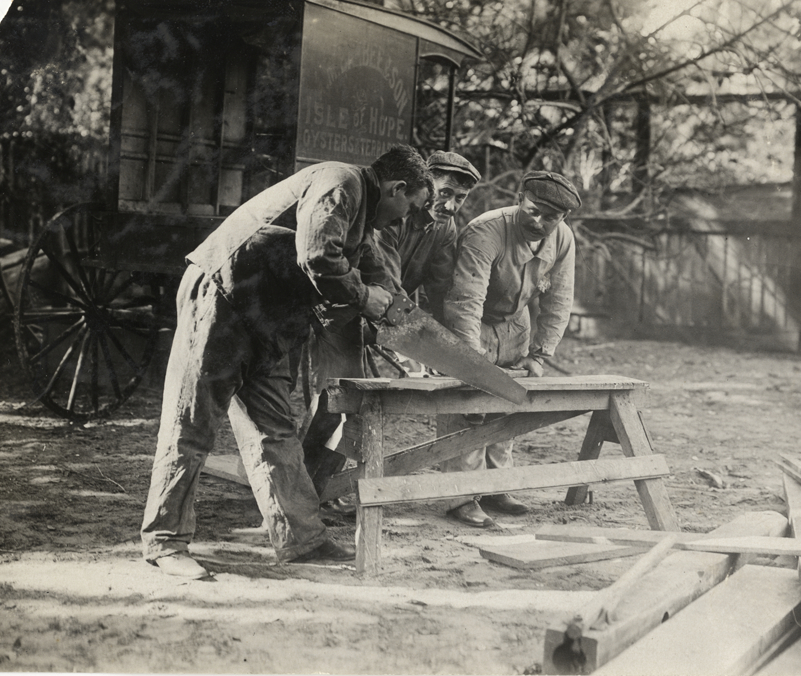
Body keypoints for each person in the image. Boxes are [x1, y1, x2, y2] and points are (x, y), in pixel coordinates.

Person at [140, 145, 432, 579]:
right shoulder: (341, 184)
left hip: (269, 320)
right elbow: (317, 255)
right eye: (411, 207)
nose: (406, 218)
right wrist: (365, 297)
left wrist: (405, 320)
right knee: (192, 424)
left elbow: (375, 276)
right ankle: (165, 542)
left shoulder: (362, 215)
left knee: (275, 432)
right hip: (223, 301)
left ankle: (303, 542)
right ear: (398, 188)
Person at [299, 151, 482, 506]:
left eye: (460, 199)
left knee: (356, 405)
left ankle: (320, 490)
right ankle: (301, 493)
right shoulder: (390, 215)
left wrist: (441, 346)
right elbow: (385, 277)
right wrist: (410, 344)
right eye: (444, 193)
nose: (450, 205)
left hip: (383, 312)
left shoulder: (444, 228)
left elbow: (440, 289)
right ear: (424, 184)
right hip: (343, 308)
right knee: (338, 400)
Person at [440, 170, 579, 527]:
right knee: (469, 405)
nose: (539, 221)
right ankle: (461, 496)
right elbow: (465, 301)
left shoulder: (563, 239)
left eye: (551, 217)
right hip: (474, 323)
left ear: (563, 218)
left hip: (516, 325)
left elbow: (559, 300)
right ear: (520, 199)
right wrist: (469, 362)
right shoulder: (486, 231)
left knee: (506, 406)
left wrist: (539, 354)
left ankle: (496, 487)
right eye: (532, 210)